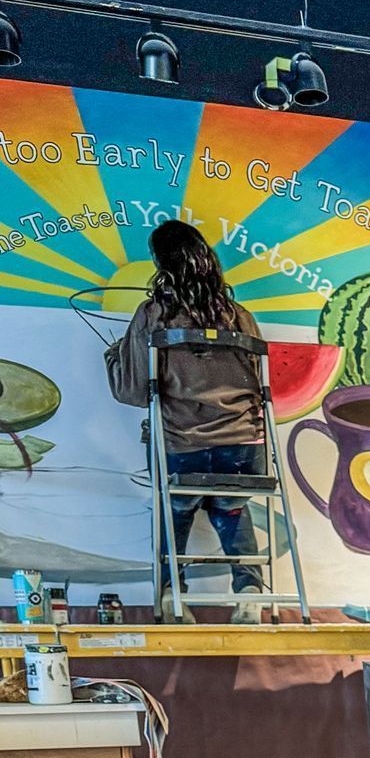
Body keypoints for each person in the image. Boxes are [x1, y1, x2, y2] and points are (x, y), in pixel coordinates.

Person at [105, 219, 266, 606]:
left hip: (183, 446)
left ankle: (169, 597)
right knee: (231, 506)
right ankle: (250, 590)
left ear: (161, 264)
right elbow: (260, 384)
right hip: (247, 452)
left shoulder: (153, 314)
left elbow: (131, 391)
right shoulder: (239, 315)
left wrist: (113, 357)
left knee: (174, 509)